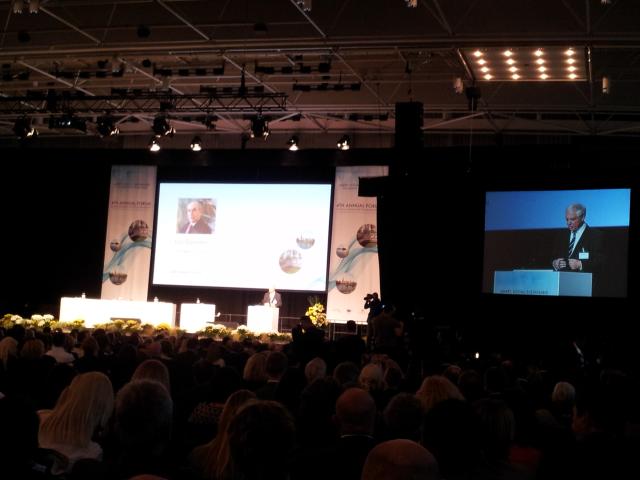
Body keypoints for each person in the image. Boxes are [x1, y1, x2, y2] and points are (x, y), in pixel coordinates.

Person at [551, 203, 603, 273]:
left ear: (583, 217)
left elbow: (601, 261)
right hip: (562, 281)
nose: (568, 223)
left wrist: (580, 264)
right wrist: (555, 263)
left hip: (584, 281)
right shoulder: (561, 236)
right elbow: (552, 257)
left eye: (572, 219)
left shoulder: (595, 235)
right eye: (567, 219)